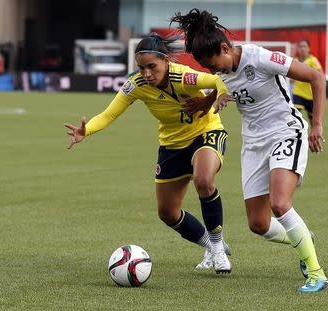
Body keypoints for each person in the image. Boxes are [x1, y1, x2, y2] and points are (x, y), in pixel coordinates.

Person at [171, 9, 328, 292]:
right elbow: (222, 88)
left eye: (214, 64)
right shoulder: (222, 69)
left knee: (280, 204)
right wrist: (206, 103)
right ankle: (302, 237)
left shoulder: (261, 57)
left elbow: (316, 78)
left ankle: (316, 274)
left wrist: (317, 125)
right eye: (208, 68)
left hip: (285, 132)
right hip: (254, 144)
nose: (214, 71)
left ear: (224, 48)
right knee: (259, 224)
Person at [64, 33, 233, 274]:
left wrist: (212, 101)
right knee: (167, 213)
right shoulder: (136, 85)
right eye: (141, 68)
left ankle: (217, 250)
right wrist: (86, 130)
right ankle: (211, 245)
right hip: (172, 145)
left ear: (165, 61)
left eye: (152, 67)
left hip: (205, 133)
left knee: (204, 180)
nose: (146, 74)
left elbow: (216, 80)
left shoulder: (184, 76)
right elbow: (109, 114)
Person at [292, 39, 323, 125]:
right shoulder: (295, 61)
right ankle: (297, 137)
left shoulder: (313, 61)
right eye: (300, 46)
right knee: (295, 117)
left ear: (309, 48)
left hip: (311, 95)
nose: (302, 49)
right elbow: (290, 79)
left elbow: (320, 75)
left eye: (304, 46)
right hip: (298, 93)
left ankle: (313, 137)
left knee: (313, 121)